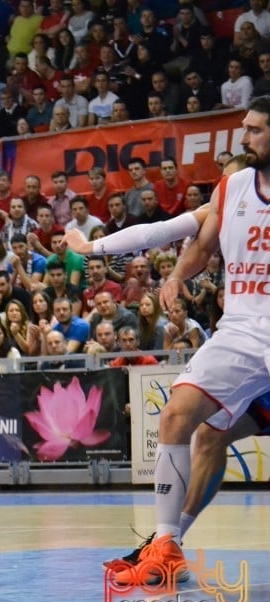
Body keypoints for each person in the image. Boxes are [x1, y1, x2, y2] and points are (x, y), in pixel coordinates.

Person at [61, 147, 270, 576]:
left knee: (205, 433)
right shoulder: (230, 199)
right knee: (205, 433)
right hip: (249, 340)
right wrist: (92, 247)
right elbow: (155, 232)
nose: (222, 192)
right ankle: (167, 544)